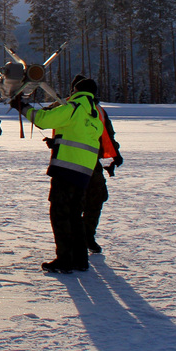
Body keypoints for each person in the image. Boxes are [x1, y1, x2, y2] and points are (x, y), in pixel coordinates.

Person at [11, 75, 103, 274]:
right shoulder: (95, 115)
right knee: (75, 216)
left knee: (60, 214)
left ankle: (64, 259)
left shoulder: (74, 107)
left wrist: (22, 107)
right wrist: (59, 141)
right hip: (84, 174)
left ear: (75, 91)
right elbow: (81, 138)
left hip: (66, 170)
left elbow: (44, 120)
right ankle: (80, 260)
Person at [82, 83, 123, 254]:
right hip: (72, 163)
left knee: (97, 198)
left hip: (93, 163)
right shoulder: (68, 106)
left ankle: (88, 235)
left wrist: (115, 155)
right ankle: (77, 238)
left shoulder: (99, 110)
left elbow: (108, 134)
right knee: (75, 202)